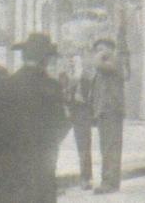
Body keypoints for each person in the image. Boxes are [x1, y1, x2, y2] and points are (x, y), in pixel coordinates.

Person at [0, 33, 70, 203]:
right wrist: (47, 145)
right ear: (46, 59)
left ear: (23, 56)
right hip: (40, 164)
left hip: (6, 164)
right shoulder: (52, 87)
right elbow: (62, 125)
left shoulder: (5, 85)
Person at [90, 38, 126, 194]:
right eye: (97, 49)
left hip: (111, 110)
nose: (99, 52)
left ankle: (109, 182)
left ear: (111, 49)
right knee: (106, 148)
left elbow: (98, 64)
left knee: (110, 148)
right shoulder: (104, 68)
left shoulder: (115, 62)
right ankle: (109, 181)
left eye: (102, 48)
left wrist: (99, 55)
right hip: (104, 111)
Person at [63, 53, 95, 190]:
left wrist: (80, 98)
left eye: (75, 64)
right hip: (64, 114)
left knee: (83, 146)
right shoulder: (63, 78)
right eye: (70, 64)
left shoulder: (87, 80)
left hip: (81, 114)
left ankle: (85, 178)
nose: (72, 66)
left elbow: (90, 99)